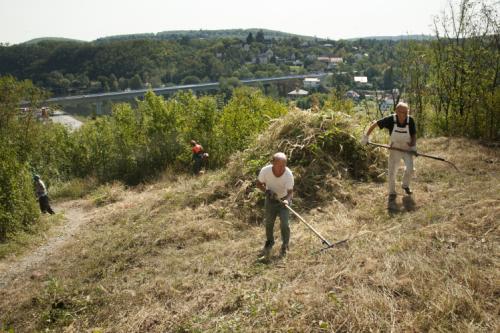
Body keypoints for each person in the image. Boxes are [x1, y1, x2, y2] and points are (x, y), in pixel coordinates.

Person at [361, 102, 416, 200]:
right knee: (392, 171)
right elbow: (375, 124)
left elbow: (413, 134)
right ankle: (392, 192)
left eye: (406, 112)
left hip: (407, 147)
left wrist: (413, 146)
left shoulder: (410, 120)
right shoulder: (391, 119)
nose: (405, 114)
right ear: (397, 112)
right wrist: (366, 137)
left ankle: (405, 185)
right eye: (403, 112)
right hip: (395, 148)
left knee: (410, 168)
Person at [256, 152, 294, 259]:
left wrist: (286, 200)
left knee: (285, 224)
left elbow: (290, 192)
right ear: (273, 163)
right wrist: (267, 191)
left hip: (284, 201)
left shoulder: (288, 174)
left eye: (284, 165)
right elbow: (259, 184)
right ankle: (270, 242)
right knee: (269, 223)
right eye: (279, 165)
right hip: (270, 200)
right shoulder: (266, 171)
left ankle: (285, 244)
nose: (282, 168)